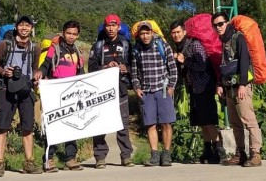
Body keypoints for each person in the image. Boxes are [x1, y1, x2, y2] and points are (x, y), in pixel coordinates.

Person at [0, 15, 43, 177]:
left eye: (27, 25)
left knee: (28, 128)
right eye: (21, 25)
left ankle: (29, 162)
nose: (24, 28)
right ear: (16, 27)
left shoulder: (35, 47)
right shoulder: (4, 45)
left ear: (31, 28)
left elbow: (35, 67)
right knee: (2, 127)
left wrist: (37, 75)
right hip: (6, 89)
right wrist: (4, 71)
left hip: (26, 89)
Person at [169, 19, 225, 164]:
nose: (176, 35)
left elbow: (203, 65)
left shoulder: (194, 45)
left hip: (204, 87)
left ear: (184, 32)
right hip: (194, 88)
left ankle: (220, 151)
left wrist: (184, 61)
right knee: (202, 121)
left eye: (178, 32)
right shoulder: (182, 47)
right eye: (173, 33)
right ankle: (208, 150)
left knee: (209, 121)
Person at [212, 12, 262, 167]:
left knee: (249, 120)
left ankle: (256, 154)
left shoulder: (237, 37)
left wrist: (242, 84)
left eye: (220, 24)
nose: (218, 27)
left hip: (241, 86)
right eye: (215, 25)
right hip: (229, 87)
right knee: (235, 122)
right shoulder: (223, 41)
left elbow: (245, 61)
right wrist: (220, 83)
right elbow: (224, 65)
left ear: (227, 23)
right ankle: (240, 154)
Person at [88, 14, 135, 168]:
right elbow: (91, 67)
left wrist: (125, 68)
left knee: (123, 124)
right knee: (100, 124)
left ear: (119, 27)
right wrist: (105, 68)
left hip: (120, 88)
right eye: (108, 25)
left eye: (114, 25)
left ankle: (126, 156)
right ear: (104, 26)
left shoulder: (127, 44)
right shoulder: (98, 45)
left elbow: (134, 66)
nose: (111, 28)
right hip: (102, 91)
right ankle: (100, 157)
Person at [39, 20, 85, 172]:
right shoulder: (55, 49)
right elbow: (46, 65)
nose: (71, 36)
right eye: (68, 33)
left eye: (74, 34)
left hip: (72, 94)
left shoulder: (78, 52)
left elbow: (80, 73)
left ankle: (70, 159)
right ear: (63, 33)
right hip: (55, 92)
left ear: (78, 35)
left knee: (72, 126)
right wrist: (40, 73)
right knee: (53, 127)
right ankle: (49, 159)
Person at [131, 20, 178, 167]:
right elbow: (134, 72)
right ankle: (154, 154)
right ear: (139, 35)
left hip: (163, 88)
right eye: (142, 33)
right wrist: (137, 88)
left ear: (152, 32)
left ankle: (166, 154)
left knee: (166, 122)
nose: (145, 36)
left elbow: (173, 68)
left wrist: (171, 86)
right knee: (150, 124)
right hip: (146, 90)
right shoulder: (136, 49)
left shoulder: (162, 45)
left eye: (147, 32)